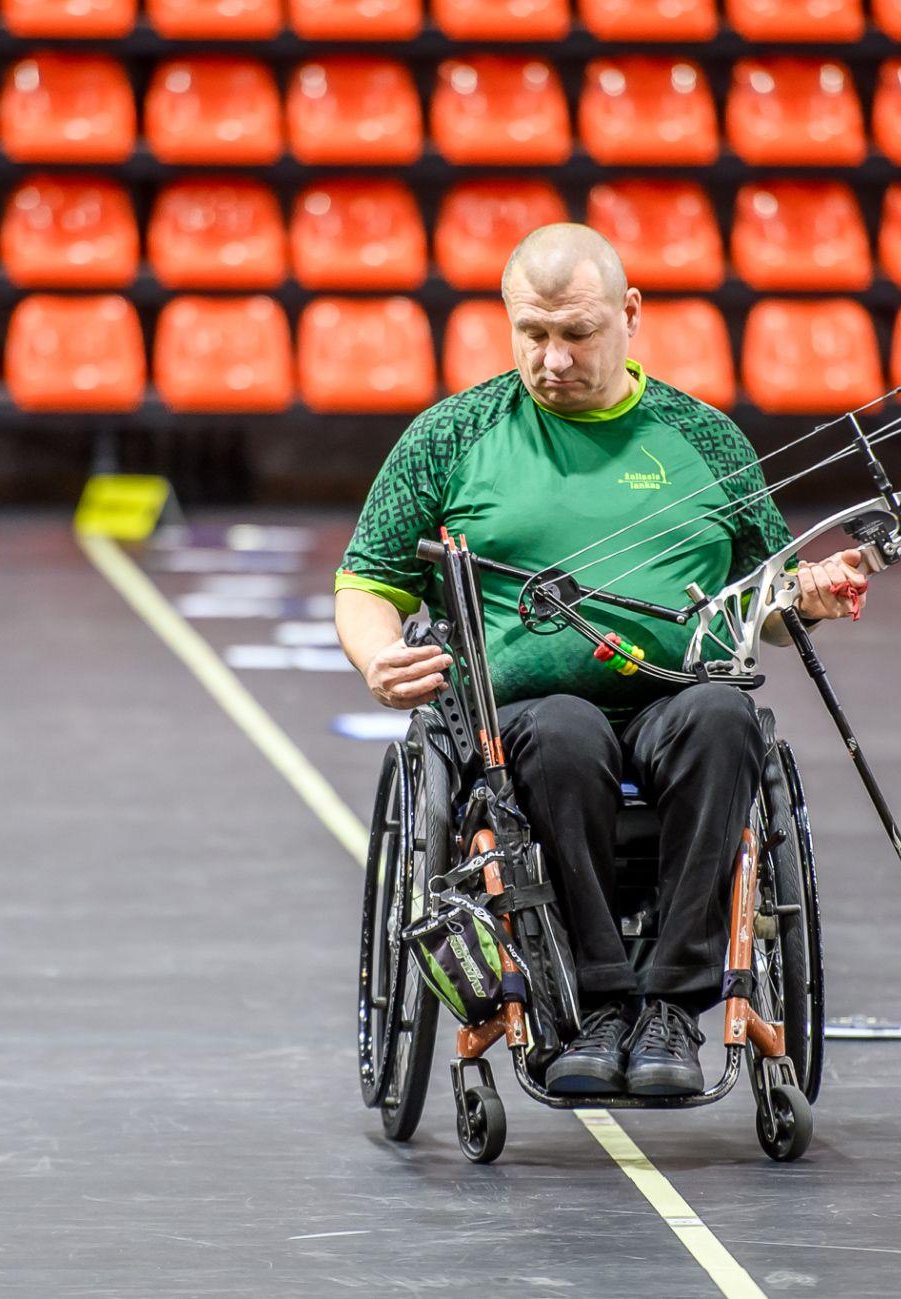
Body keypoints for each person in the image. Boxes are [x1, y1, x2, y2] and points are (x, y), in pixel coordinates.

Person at [334, 224, 869, 1096]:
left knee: (726, 716)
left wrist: (806, 596)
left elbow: (765, 606)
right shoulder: (449, 436)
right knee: (565, 730)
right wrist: (379, 656)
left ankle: (670, 1009)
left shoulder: (707, 439)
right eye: (532, 334)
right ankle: (596, 1002)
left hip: (674, 702)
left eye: (577, 334)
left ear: (630, 314)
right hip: (521, 725)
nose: (552, 360)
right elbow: (366, 583)